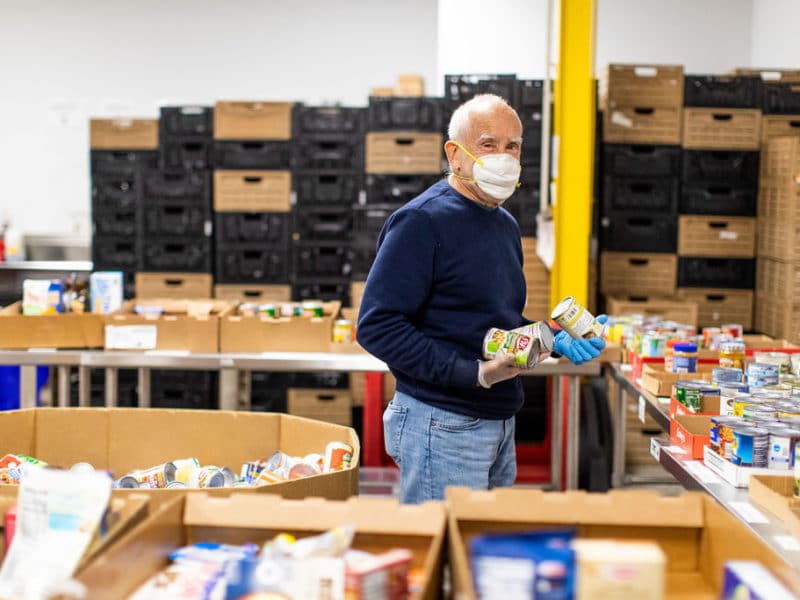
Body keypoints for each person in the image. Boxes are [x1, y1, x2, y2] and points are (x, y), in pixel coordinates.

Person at [356, 94, 605, 504]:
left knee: (477, 551)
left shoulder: (503, 224)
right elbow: (378, 326)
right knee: (446, 551)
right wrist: (472, 373)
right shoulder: (421, 222)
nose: (504, 157)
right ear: (455, 154)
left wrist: (551, 334)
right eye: (489, 144)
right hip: (442, 421)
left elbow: (493, 318)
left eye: (513, 147)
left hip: (498, 418)